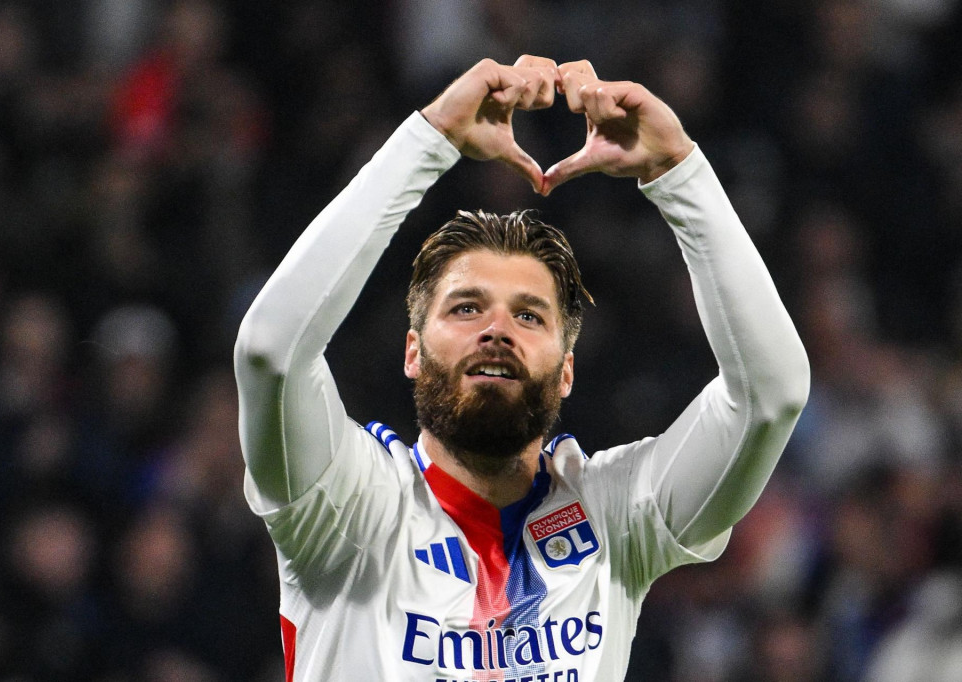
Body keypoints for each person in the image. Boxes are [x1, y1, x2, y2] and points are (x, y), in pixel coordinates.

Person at [234, 55, 810, 681]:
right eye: (466, 307)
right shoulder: (347, 506)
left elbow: (770, 395)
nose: (496, 330)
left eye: (529, 316)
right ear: (411, 352)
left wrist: (680, 173)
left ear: (566, 370)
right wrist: (429, 140)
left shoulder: (615, 518)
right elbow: (272, 352)